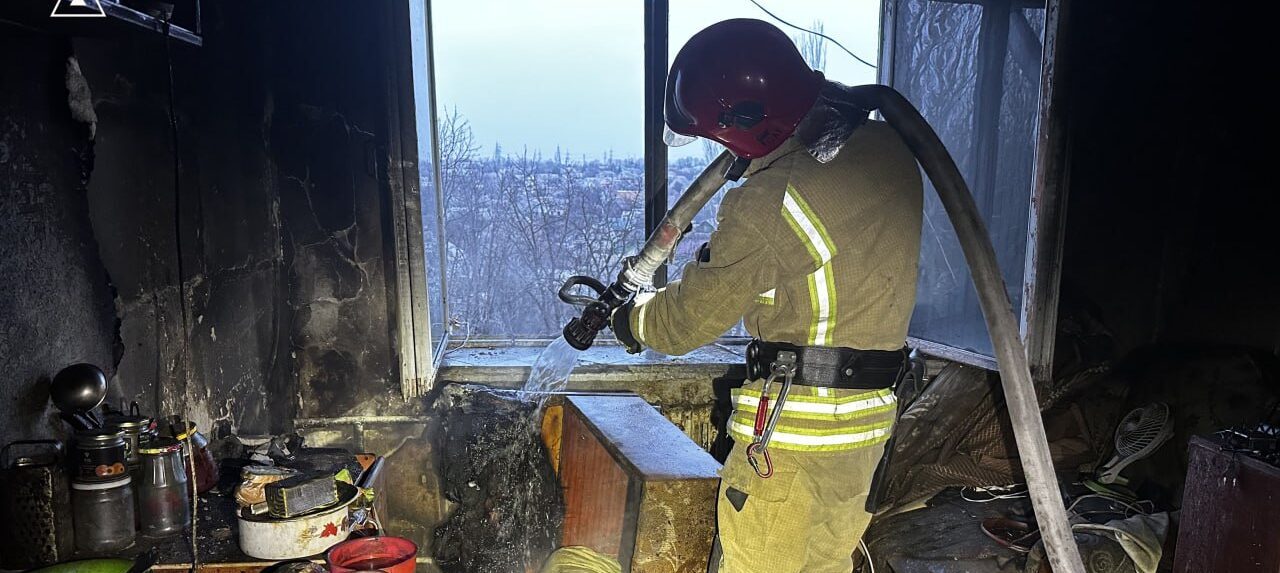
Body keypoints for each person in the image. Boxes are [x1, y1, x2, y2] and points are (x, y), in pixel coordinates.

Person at [608, 18, 924, 573]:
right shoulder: (887, 151)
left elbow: (686, 322)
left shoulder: (773, 200)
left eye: (717, 134)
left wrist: (632, 321)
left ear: (747, 122)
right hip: (866, 433)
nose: (719, 148)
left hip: (790, 442)